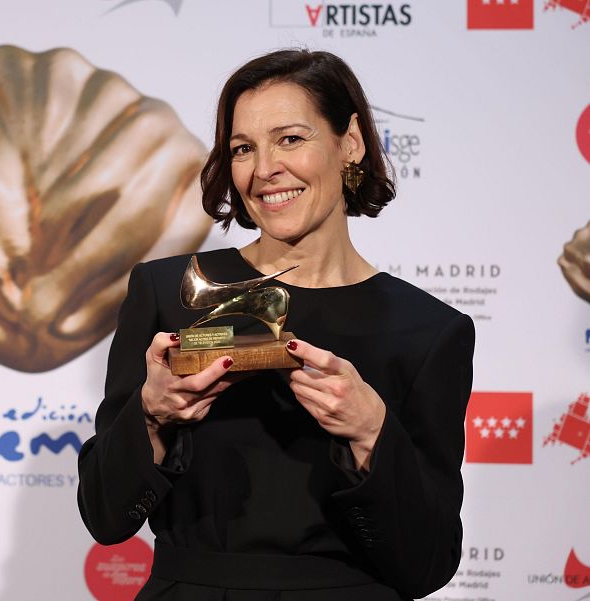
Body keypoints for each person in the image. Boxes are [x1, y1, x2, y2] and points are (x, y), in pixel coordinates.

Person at [77, 49, 475, 601]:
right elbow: (104, 517)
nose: (264, 169)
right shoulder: (168, 292)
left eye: (290, 139)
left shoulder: (428, 331)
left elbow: (427, 565)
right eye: (243, 148)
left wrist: (371, 432)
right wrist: (150, 417)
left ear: (350, 143)